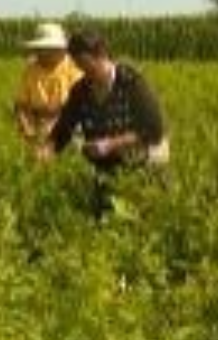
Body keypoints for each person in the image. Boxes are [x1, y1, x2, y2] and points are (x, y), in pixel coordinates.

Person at [38, 30, 170, 210]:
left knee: (145, 210)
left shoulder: (132, 82)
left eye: (87, 66)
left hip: (145, 162)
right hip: (108, 168)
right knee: (103, 211)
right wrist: (48, 148)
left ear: (102, 55)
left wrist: (111, 144)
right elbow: (63, 129)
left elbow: (154, 130)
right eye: (79, 67)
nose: (85, 72)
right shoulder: (80, 91)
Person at [12, 21, 82, 150]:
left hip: (68, 121)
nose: (41, 54)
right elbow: (21, 104)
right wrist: (25, 125)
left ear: (60, 49)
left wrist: (54, 123)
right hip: (37, 121)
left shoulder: (73, 67)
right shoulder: (31, 70)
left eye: (47, 50)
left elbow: (80, 105)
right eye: (40, 50)